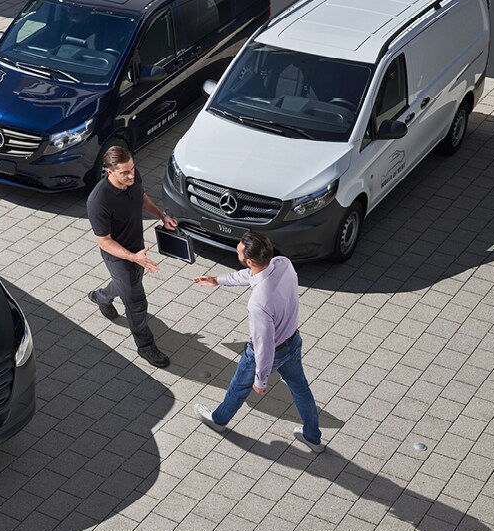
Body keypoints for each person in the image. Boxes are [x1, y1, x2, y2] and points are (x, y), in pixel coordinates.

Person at [191, 231, 325, 453]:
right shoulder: (283, 264)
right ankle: (313, 437)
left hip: (271, 352)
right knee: (301, 388)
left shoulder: (258, 303)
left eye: (239, 251)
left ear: (250, 260)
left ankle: (218, 420)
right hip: (293, 342)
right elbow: (251, 275)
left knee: (238, 387)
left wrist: (261, 380)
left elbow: (264, 346)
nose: (237, 250)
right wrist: (218, 280)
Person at [86, 145, 177, 368]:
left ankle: (101, 297)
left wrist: (161, 216)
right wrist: (131, 257)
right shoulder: (98, 201)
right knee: (136, 302)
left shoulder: (132, 178)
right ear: (109, 170)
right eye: (125, 172)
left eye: (132, 169)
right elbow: (104, 241)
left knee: (128, 285)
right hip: (118, 256)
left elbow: (142, 197)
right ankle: (146, 347)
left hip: (138, 250)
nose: (131, 175)